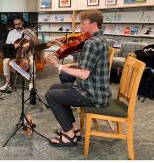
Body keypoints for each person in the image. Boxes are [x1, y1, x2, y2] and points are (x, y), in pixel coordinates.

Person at [45, 9, 111, 147]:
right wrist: (70, 63)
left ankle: (69, 136)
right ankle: (74, 129)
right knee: (54, 88)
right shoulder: (99, 39)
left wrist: (59, 66)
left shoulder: (91, 43)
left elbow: (84, 74)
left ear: (94, 24)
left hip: (92, 94)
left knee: (51, 96)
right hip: (95, 89)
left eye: (83, 23)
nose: (80, 26)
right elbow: (89, 65)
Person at [0, 17, 39, 91]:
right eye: (15, 24)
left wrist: (29, 34)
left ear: (22, 23)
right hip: (15, 54)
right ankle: (8, 83)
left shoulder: (29, 31)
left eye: (19, 24)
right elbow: (7, 46)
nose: (17, 26)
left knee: (32, 62)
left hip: (27, 54)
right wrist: (13, 46)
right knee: (5, 61)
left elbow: (37, 42)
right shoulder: (11, 33)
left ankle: (31, 82)